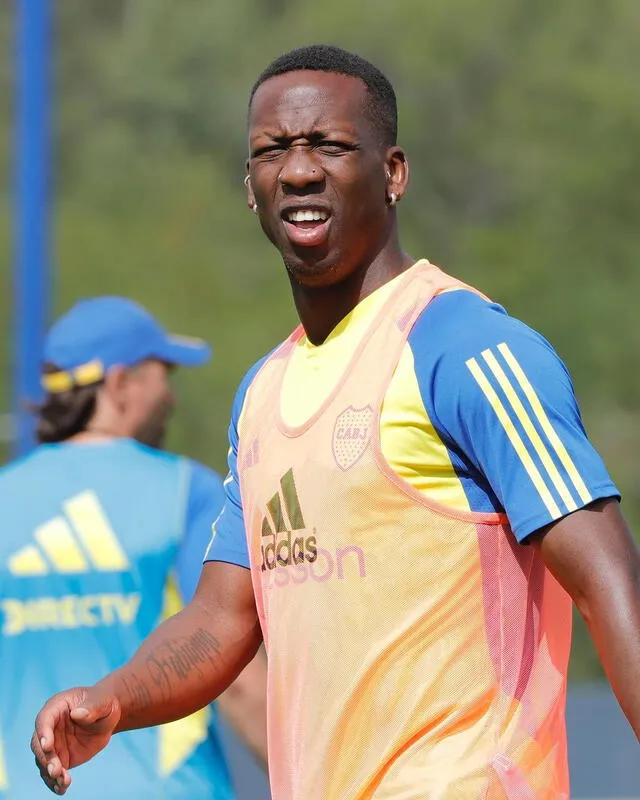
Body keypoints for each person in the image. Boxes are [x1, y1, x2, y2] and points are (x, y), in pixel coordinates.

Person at [32, 46, 640, 800]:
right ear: (250, 189)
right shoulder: (263, 393)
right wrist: (114, 698)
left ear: (393, 173)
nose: (298, 170)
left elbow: (609, 581)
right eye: (272, 151)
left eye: (329, 145)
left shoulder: (462, 344)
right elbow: (221, 621)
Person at [0, 297, 267, 799]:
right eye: (161, 373)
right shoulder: (186, 491)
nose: (170, 395)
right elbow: (233, 673)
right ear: (121, 383)